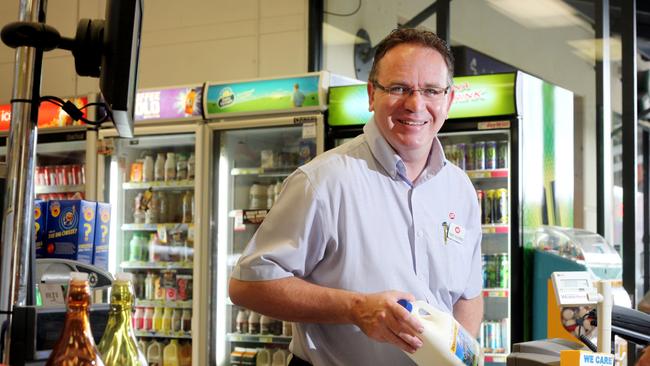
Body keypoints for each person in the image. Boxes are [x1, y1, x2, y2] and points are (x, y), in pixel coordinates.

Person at [230, 28, 483, 366]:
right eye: (398, 88)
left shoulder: (460, 190)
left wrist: (457, 357)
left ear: (449, 100)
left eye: (432, 90)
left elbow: (468, 294)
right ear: (371, 94)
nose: (415, 104)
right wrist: (356, 308)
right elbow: (247, 284)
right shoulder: (323, 181)